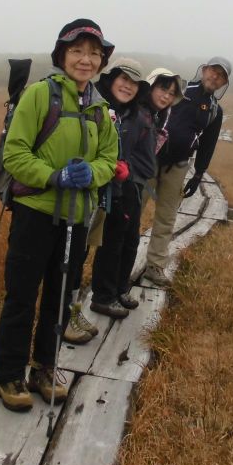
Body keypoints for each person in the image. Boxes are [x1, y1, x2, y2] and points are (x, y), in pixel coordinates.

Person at [0, 19, 119, 412]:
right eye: (78, 51)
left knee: (60, 298)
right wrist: (54, 177)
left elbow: (109, 159)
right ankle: (9, 373)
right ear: (62, 56)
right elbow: (15, 154)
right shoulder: (39, 96)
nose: (86, 59)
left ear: (100, 61)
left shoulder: (99, 107)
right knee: (22, 296)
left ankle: (44, 367)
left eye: (94, 53)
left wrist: (90, 175)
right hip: (36, 213)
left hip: (76, 218)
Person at [143, 58, 231, 286]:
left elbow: (209, 143)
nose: (215, 77)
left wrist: (199, 173)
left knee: (167, 216)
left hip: (179, 166)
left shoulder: (214, 111)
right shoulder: (179, 89)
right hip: (150, 158)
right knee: (134, 210)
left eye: (221, 76)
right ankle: (121, 263)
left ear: (223, 83)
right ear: (204, 70)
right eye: (213, 71)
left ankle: (155, 266)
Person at [86, 58, 158, 319]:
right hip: (100, 185)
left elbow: (144, 156)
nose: (127, 86)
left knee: (129, 240)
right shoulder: (97, 106)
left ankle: (118, 289)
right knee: (109, 242)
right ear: (112, 78)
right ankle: (102, 297)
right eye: (123, 79)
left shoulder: (136, 114)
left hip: (128, 186)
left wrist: (128, 172)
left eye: (134, 83)